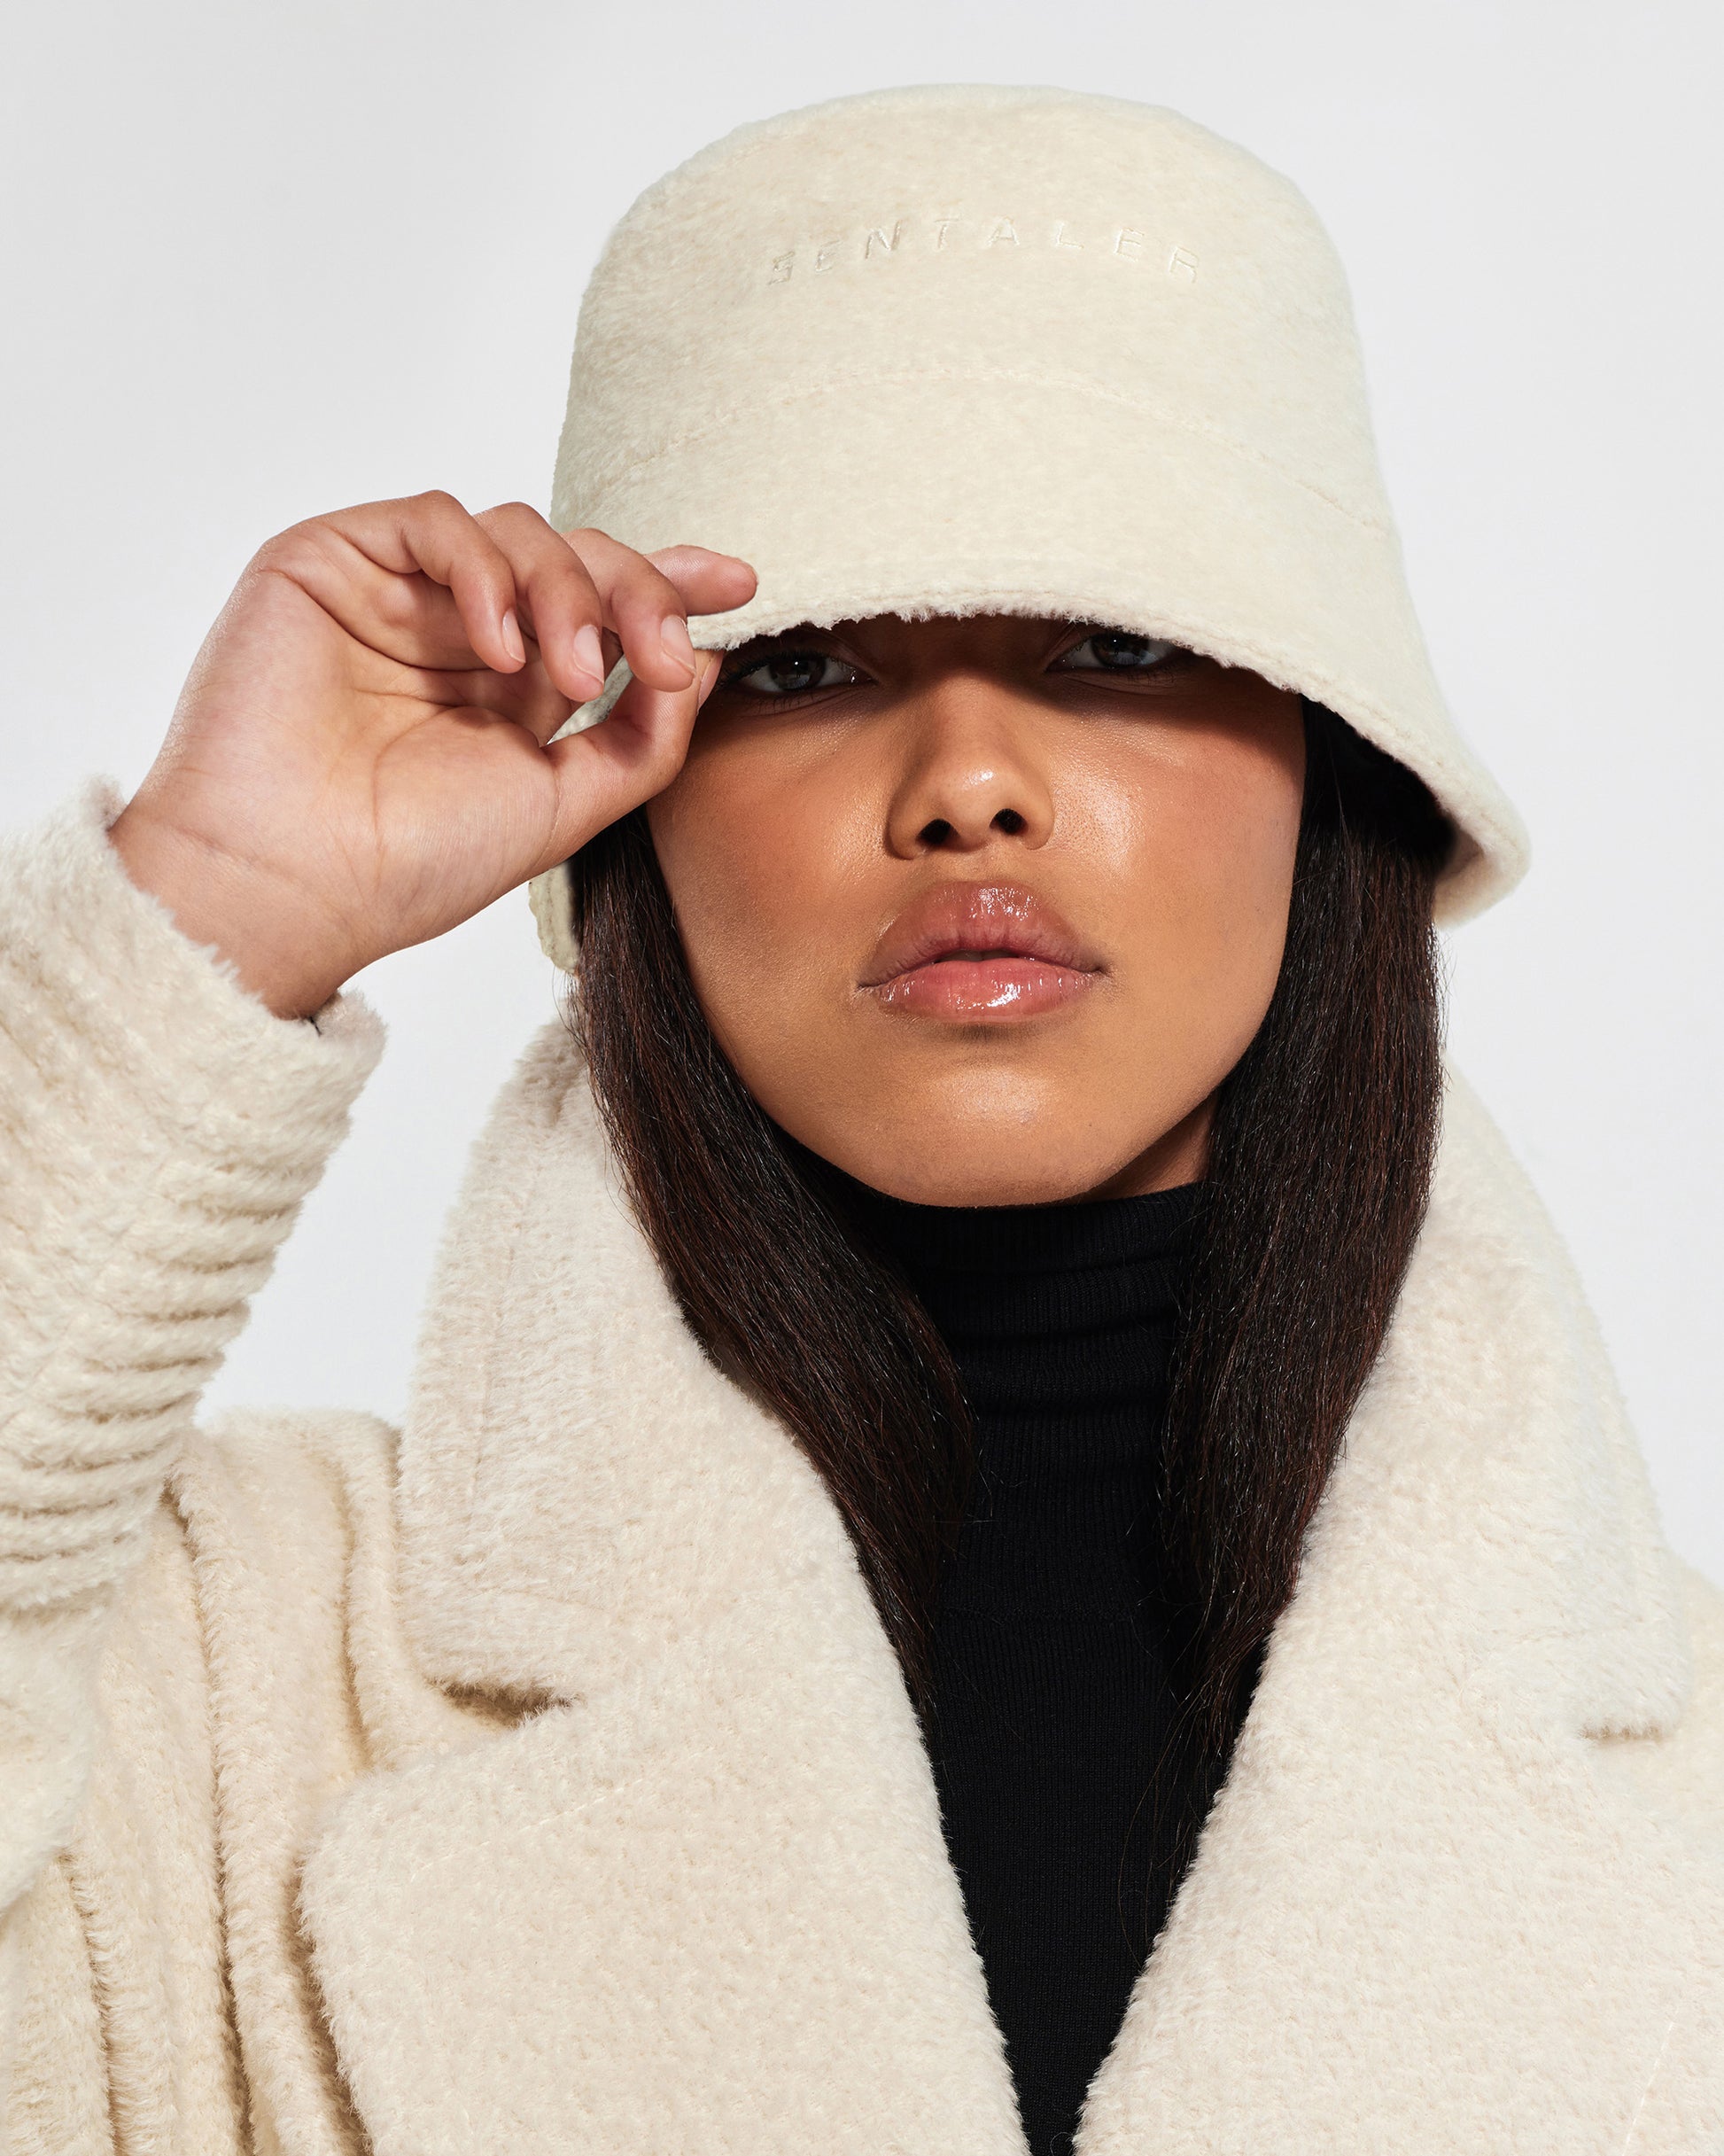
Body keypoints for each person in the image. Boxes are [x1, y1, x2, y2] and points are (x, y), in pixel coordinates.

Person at [2, 82, 1720, 2156]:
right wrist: (214, 910)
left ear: (1331, 769)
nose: (967, 782)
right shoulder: (217, 1661)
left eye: (1119, 643)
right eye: (803, 662)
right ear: (629, 791)